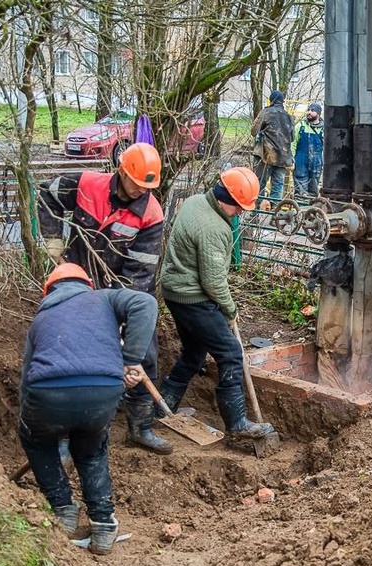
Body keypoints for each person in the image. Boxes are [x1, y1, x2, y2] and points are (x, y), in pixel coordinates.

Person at [37, 142, 172, 455]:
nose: (141, 191)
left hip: (122, 288)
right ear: (122, 171)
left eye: (147, 187)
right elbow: (47, 194)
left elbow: (140, 274)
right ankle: (67, 435)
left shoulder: (150, 214)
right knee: (74, 354)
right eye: (137, 184)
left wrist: (124, 323)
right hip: (77, 281)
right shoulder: (87, 184)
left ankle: (141, 427)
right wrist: (55, 244)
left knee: (145, 351)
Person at [18, 263, 158, 555]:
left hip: (47, 392)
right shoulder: (105, 299)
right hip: (102, 389)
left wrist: (32, 421)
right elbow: (145, 302)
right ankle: (104, 524)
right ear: (86, 284)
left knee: (36, 438)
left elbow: (26, 378)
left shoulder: (41, 318)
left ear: (49, 291)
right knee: (91, 450)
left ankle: (63, 509)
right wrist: (132, 360)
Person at [158, 167, 276, 439]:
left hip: (175, 291)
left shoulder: (195, 201)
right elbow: (213, 281)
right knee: (231, 353)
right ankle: (237, 425)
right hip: (193, 298)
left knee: (194, 351)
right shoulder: (213, 227)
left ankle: (163, 404)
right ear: (229, 200)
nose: (241, 212)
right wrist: (229, 308)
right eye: (240, 207)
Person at [251, 90, 294, 202]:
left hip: (266, 156)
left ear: (271, 100)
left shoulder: (266, 112)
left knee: (259, 184)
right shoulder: (288, 116)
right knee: (278, 186)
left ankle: (255, 214)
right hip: (283, 158)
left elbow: (254, 131)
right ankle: (275, 214)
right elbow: (292, 137)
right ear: (282, 102)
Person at [291, 102, 324, 197]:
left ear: (318, 114)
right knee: (300, 193)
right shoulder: (300, 126)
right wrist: (292, 158)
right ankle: (300, 209)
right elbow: (293, 143)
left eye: (312, 110)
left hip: (316, 166)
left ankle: (311, 210)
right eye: (308, 110)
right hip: (301, 163)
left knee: (313, 193)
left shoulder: (323, 129)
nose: (309, 112)